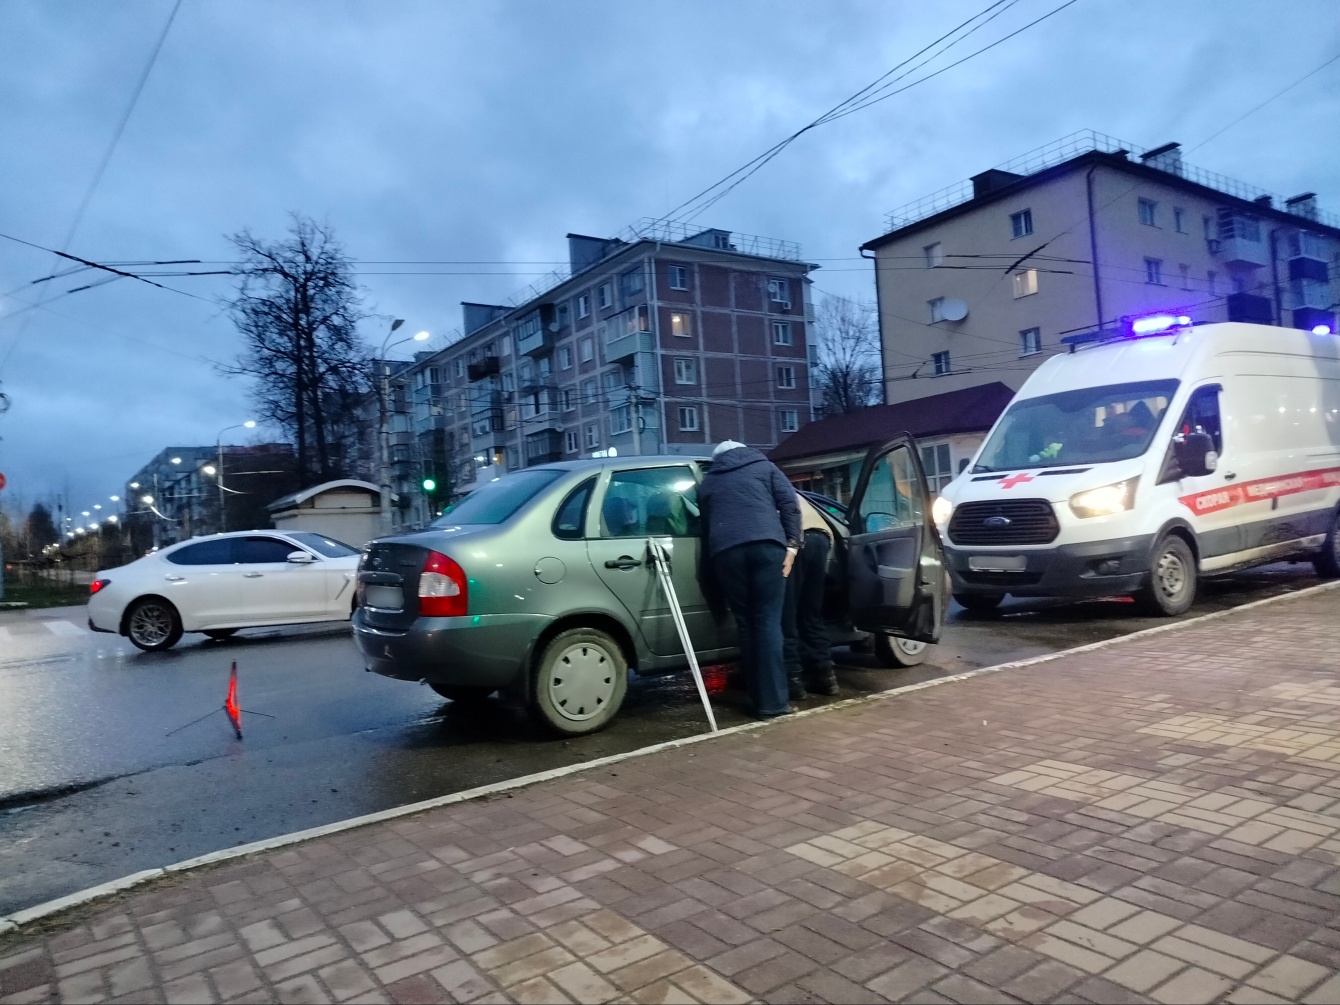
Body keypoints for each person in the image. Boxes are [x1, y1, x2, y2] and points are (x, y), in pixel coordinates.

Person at [699, 439, 801, 719]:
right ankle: (774, 703)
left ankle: (757, 699)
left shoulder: (708, 482)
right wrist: (792, 546)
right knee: (768, 621)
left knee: (746, 624)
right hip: (767, 547)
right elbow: (789, 504)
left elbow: (706, 522)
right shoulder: (764, 467)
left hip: (725, 553)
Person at [782, 492, 838, 699]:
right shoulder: (778, 482)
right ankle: (825, 676)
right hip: (821, 536)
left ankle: (793, 680)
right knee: (810, 611)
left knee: (786, 614)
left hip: (794, 539)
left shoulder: (757, 483)